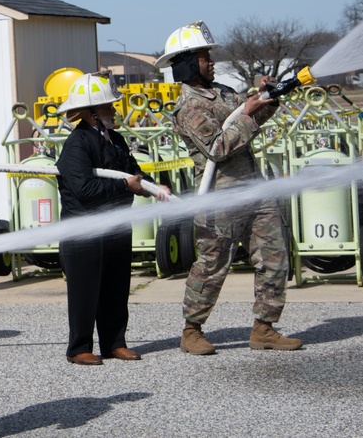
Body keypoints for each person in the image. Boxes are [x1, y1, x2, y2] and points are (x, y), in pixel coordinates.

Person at [154, 20, 302, 355]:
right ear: (189, 63)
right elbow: (217, 148)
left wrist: (269, 97)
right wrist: (248, 112)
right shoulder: (189, 107)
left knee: (274, 257)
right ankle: (192, 330)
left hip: (252, 189)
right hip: (219, 196)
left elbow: (252, 118)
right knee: (212, 264)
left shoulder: (222, 93)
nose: (212, 62)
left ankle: (264, 328)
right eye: (205, 57)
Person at [55, 72, 169, 365]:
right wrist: (124, 186)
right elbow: (84, 189)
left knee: (116, 287)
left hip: (116, 226)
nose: (114, 111)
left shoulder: (115, 139)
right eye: (108, 107)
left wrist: (153, 187)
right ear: (92, 113)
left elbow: (132, 172)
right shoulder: (77, 145)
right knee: (85, 291)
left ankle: (114, 343)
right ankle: (79, 347)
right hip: (84, 230)